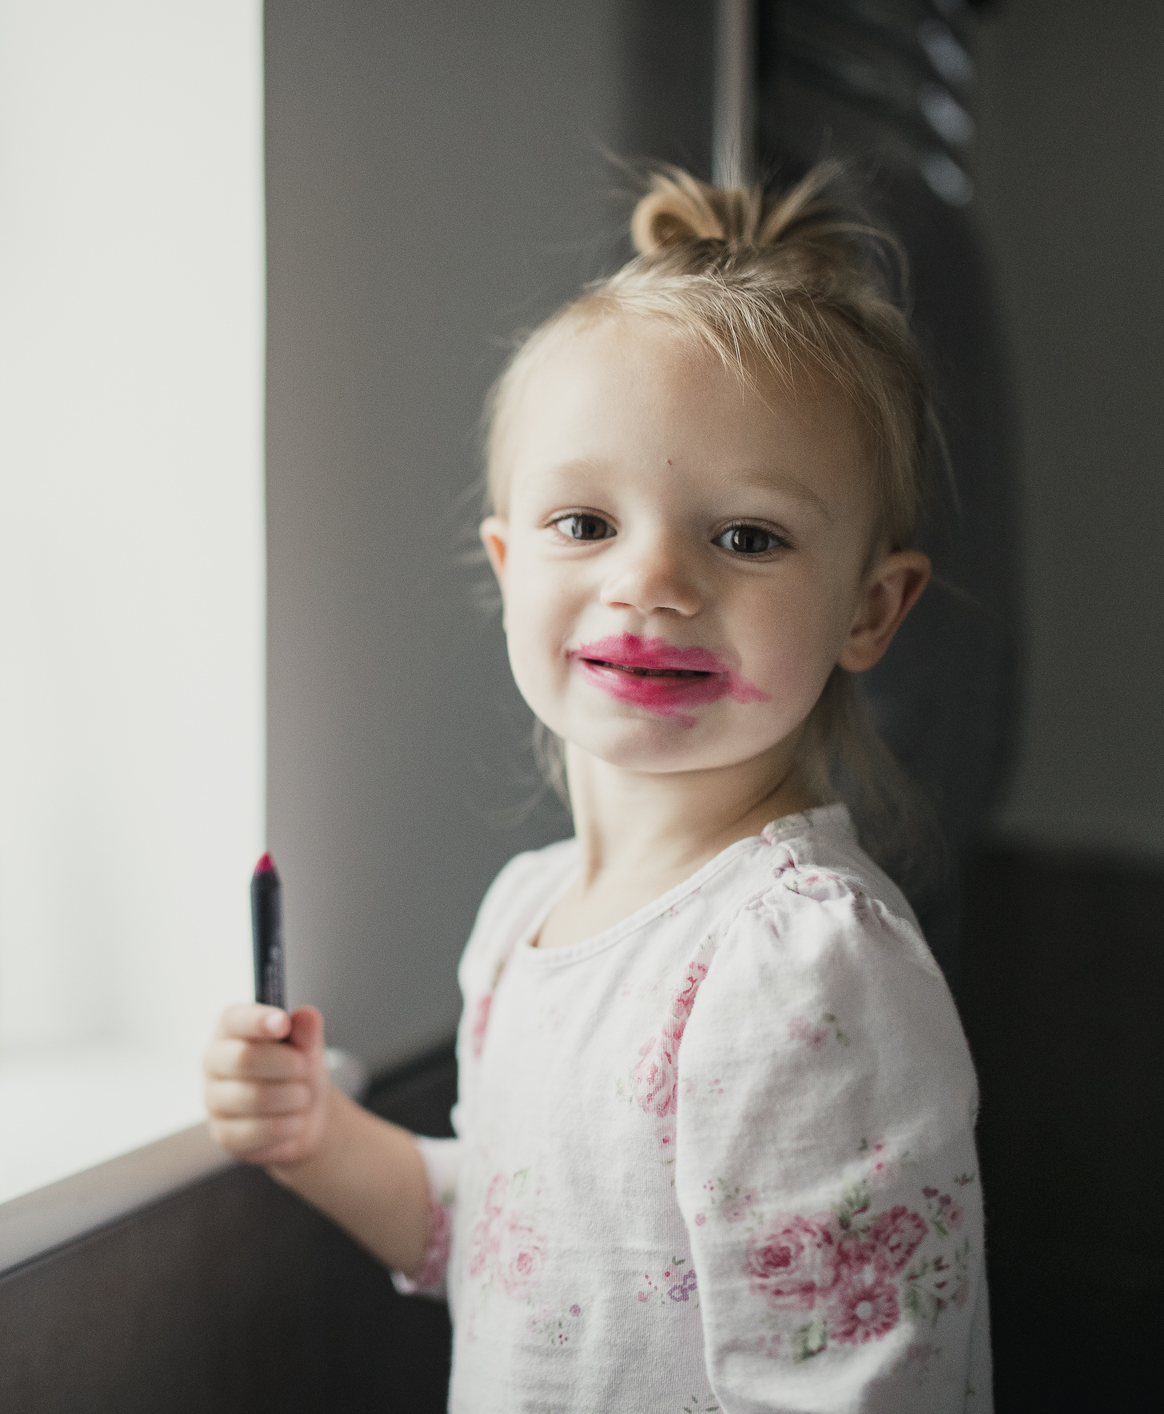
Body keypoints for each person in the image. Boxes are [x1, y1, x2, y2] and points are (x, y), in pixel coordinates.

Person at [203, 167, 989, 1410]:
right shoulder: (526, 914)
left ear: (870, 607)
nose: (653, 581)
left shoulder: (803, 965)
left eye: (747, 537)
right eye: (584, 524)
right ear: (509, 563)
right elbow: (527, 1254)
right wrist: (314, 1133)